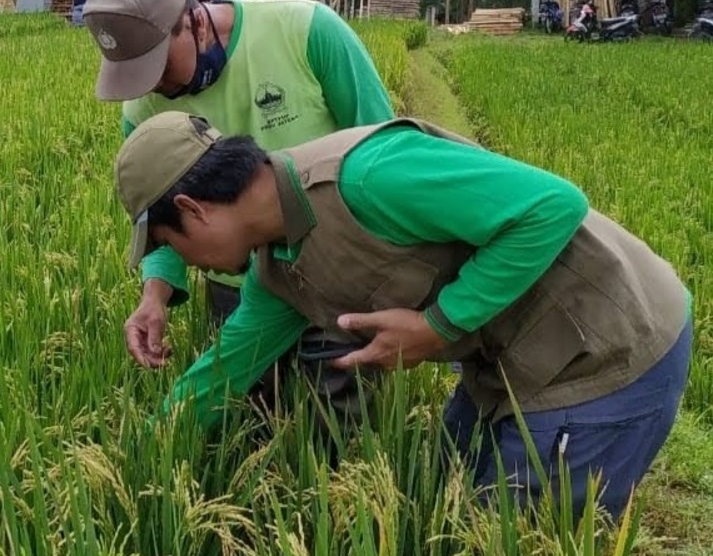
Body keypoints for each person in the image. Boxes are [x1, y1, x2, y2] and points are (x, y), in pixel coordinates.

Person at [114, 111, 692, 521]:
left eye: (173, 245)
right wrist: (137, 459)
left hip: (607, 351)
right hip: (511, 365)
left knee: (508, 548)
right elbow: (221, 374)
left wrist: (439, 324)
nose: (184, 266)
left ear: (194, 209)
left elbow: (553, 206)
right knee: (439, 506)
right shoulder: (276, 272)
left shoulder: (369, 176)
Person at [82, 0, 394, 379]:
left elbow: (381, 149)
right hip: (237, 289)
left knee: (334, 427)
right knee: (249, 422)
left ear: (195, 22)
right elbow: (164, 214)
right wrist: (154, 296)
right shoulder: (143, 109)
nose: (156, 87)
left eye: (160, 67)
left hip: (336, 278)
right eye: (138, 75)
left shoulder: (306, 31)